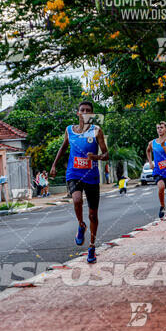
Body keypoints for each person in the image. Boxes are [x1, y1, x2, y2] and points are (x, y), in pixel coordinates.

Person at [50, 101, 109, 264]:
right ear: (78, 113)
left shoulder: (97, 131)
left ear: (91, 114)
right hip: (74, 173)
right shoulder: (70, 130)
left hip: (91, 176)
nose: (84, 112)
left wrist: (96, 157)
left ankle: (91, 247)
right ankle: (81, 225)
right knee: (76, 200)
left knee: (93, 214)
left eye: (88, 111)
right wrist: (54, 165)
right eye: (82, 110)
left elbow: (106, 154)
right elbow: (62, 148)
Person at [146, 121, 166, 229]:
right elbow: (148, 151)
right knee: (161, 187)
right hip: (158, 171)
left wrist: (164, 148)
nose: (159, 129)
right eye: (158, 127)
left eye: (162, 127)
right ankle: (162, 206)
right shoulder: (152, 143)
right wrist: (150, 162)